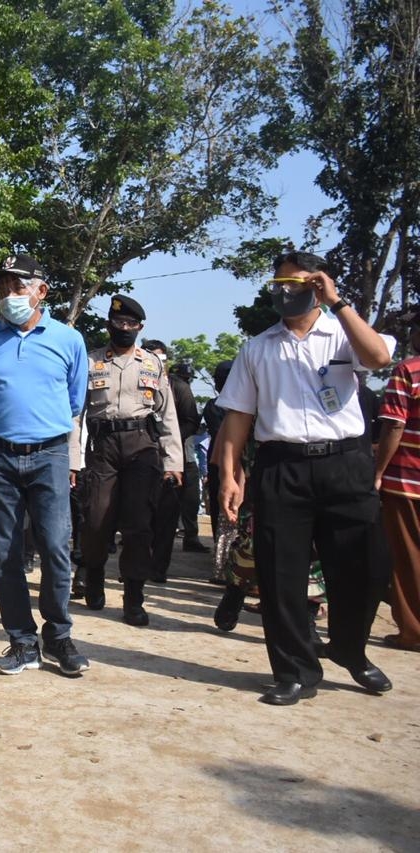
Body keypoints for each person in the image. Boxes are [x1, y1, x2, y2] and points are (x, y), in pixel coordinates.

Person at [217, 250, 393, 705]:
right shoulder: (257, 348)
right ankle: (295, 671)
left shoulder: (343, 333)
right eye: (279, 284)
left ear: (317, 285)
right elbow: (238, 416)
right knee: (281, 577)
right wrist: (229, 475)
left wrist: (338, 302)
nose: (285, 293)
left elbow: (376, 359)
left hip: (346, 463)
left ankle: (351, 652)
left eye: (297, 285)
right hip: (282, 466)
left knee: (365, 568)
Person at [0, 253, 90, 676]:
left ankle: (58, 635)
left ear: (41, 291)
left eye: (17, 286)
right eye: (3, 287)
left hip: (50, 454)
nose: (8, 295)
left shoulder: (68, 339)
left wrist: (47, 433)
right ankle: (22, 641)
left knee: (56, 546)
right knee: (4, 554)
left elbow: (75, 401)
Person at [70, 298, 182, 626]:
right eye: (117, 323)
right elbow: (75, 414)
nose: (123, 329)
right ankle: (93, 574)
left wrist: (173, 461)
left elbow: (166, 414)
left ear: (140, 328)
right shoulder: (91, 362)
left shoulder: (152, 364)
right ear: (109, 324)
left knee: (138, 525)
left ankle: (134, 597)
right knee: (95, 518)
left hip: (141, 447)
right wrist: (72, 461)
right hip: (103, 445)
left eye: (130, 324)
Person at [374, 307, 420, 651]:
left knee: (407, 557)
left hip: (407, 480)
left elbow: (394, 424)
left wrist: (377, 471)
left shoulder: (408, 371)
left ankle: (412, 631)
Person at [148, 348, 207, 583]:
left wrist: (165, 438)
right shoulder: (136, 381)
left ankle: (159, 567)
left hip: (174, 460)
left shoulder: (178, 387)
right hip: (139, 459)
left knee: (168, 516)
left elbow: (191, 422)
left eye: (160, 359)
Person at [202, 359, 233, 552]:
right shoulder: (214, 406)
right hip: (219, 462)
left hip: (228, 462)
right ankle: (221, 553)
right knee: (217, 507)